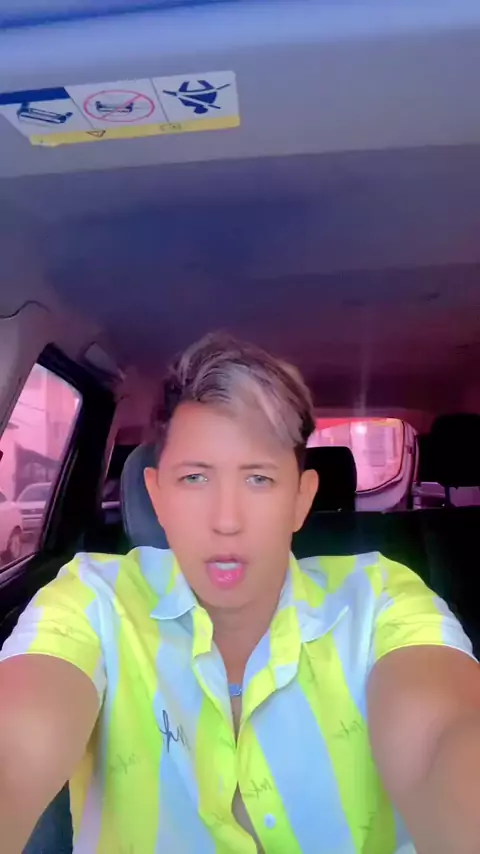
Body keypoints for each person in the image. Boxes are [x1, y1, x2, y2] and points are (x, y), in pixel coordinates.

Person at [1, 334, 480, 854]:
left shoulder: (379, 599)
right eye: (194, 478)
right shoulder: (92, 599)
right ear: (157, 497)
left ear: (301, 500)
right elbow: (16, 743)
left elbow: (442, 738)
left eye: (258, 479)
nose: (226, 521)